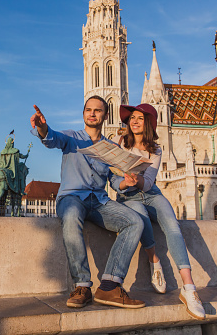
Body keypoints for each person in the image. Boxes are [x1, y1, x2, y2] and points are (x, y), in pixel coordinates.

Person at [30, 96, 147, 309]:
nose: (92, 113)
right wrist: (42, 128)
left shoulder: (110, 147)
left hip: (99, 201)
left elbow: (113, 181)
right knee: (72, 215)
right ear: (83, 114)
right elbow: (51, 138)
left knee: (135, 221)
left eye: (97, 110)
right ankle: (82, 285)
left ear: (105, 115)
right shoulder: (71, 137)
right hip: (72, 197)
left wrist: (127, 182)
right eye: (88, 110)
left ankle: (110, 285)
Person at [112, 103, 206, 320]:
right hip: (128, 195)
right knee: (141, 218)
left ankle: (189, 288)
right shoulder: (120, 144)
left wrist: (138, 179)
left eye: (140, 118)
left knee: (173, 226)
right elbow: (113, 178)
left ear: (148, 124)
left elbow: (149, 183)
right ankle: (155, 262)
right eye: (132, 118)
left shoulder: (156, 149)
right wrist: (126, 183)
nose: (134, 121)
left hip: (150, 192)